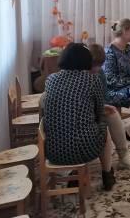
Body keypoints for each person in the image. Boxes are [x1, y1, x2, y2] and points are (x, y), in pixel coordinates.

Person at [43, 43, 116, 191]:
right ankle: (107, 174)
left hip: (53, 152)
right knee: (102, 128)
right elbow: (98, 113)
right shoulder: (92, 80)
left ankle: (75, 174)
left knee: (81, 128)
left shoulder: (51, 80)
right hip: (83, 149)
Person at [89, 44, 130, 171]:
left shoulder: (100, 73)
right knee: (106, 121)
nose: (96, 69)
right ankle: (108, 167)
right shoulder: (78, 75)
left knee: (112, 113)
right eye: (93, 66)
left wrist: (103, 106)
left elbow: (103, 97)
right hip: (84, 113)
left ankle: (124, 156)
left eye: (99, 66)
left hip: (97, 107)